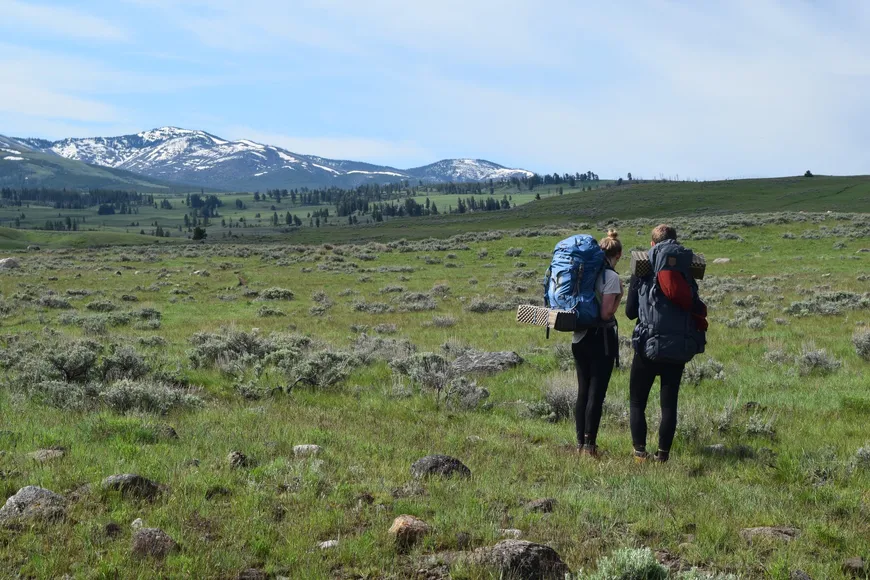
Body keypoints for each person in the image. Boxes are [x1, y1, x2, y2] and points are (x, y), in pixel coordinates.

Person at [625, 224, 707, 463]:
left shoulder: (642, 267)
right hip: (679, 345)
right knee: (669, 403)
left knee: (637, 401)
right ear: (675, 241)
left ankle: (640, 454)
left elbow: (631, 312)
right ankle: (663, 456)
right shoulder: (686, 267)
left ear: (652, 245)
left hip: (648, 345)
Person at [572, 230, 623, 458]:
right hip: (601, 340)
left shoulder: (583, 274)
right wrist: (618, 300)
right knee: (596, 394)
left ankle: (579, 444)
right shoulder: (611, 278)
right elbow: (605, 314)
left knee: (583, 392)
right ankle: (590, 446)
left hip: (579, 337)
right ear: (618, 255)